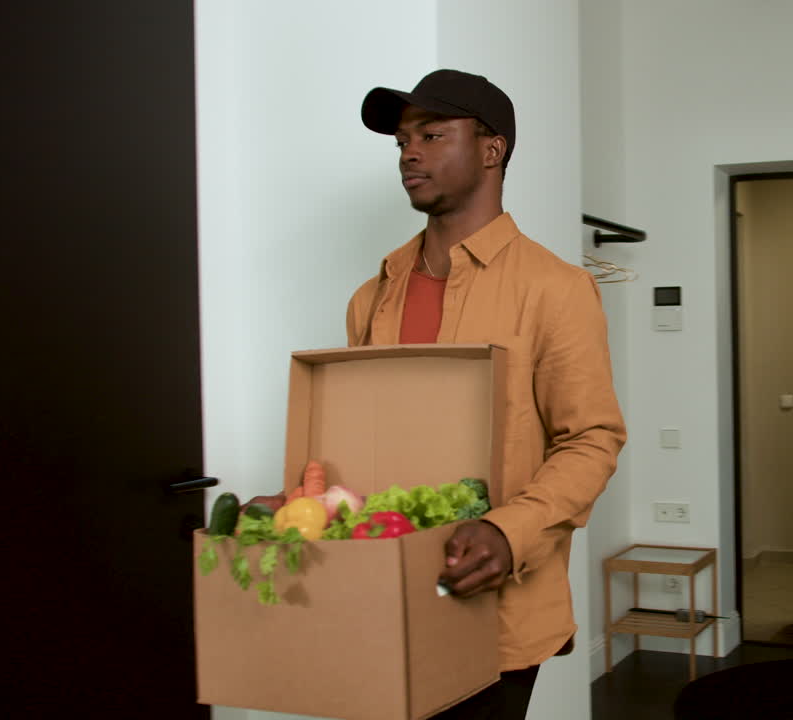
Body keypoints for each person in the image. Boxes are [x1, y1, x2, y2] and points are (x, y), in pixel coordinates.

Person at [251, 69, 626, 718]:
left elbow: (592, 440)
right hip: (379, 598)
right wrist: (297, 505)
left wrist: (508, 533)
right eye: (401, 142)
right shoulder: (372, 297)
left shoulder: (556, 288)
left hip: (493, 606)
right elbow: (364, 445)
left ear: (491, 149)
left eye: (431, 134)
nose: (410, 154)